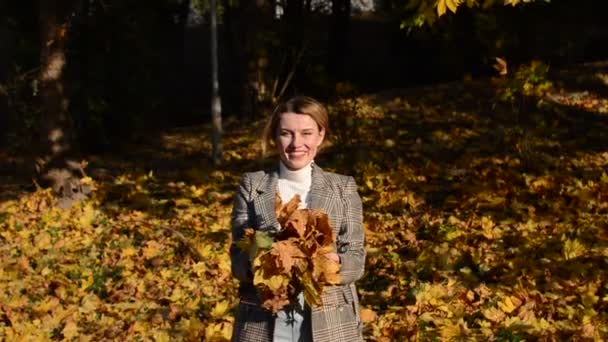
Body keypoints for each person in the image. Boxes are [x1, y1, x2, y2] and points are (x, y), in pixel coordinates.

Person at [230, 96, 366, 342]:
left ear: (320, 136)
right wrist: (264, 262)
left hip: (331, 321)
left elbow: (357, 257)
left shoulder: (343, 187)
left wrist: (332, 263)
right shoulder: (252, 186)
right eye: (286, 133)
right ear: (275, 136)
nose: (296, 143)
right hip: (263, 319)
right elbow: (237, 259)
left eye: (306, 133)